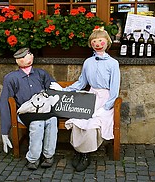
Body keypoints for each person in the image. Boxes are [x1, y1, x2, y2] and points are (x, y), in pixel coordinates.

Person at [50, 27, 120, 172]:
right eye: (94, 41)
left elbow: (114, 89)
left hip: (105, 99)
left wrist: (106, 107)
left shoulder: (113, 63)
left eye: (101, 40)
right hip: (91, 97)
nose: (98, 43)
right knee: (79, 121)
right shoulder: (88, 62)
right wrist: (63, 90)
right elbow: (81, 83)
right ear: (91, 44)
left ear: (107, 42)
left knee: (93, 124)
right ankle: (79, 152)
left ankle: (86, 155)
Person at [0, 47, 58, 170]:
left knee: (52, 121)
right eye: (23, 56)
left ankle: (48, 155)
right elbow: (6, 101)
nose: (28, 57)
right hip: (25, 111)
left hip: (43, 109)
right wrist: (5, 130)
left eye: (29, 54)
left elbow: (52, 87)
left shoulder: (41, 73)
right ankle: (33, 158)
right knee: (37, 124)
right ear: (17, 61)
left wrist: (57, 88)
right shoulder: (11, 78)